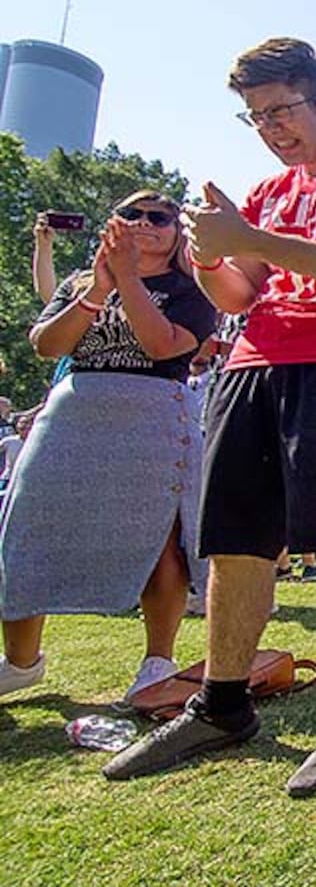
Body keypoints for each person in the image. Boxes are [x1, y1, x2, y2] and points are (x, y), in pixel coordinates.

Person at [105, 38, 316, 793]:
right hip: (253, 367)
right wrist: (207, 257)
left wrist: (245, 238)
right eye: (254, 116)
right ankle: (221, 704)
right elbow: (238, 296)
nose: (271, 127)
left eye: (281, 109)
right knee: (237, 542)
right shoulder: (268, 191)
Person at [0, 192, 217, 702]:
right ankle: (21, 660)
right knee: (29, 528)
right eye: (131, 214)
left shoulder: (193, 288)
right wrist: (99, 288)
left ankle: (157, 660)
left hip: (153, 414)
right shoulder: (82, 282)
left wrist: (130, 281)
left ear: (175, 232)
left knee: (161, 537)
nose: (144, 224)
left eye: (158, 218)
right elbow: (47, 344)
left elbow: (161, 345)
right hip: (76, 411)